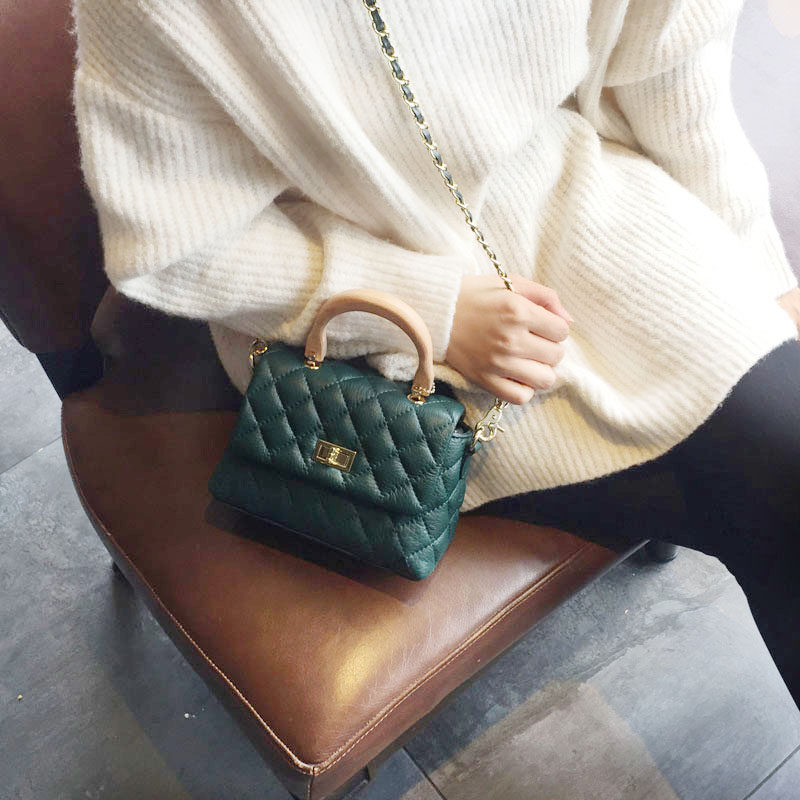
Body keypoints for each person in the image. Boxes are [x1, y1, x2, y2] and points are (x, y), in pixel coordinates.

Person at [71, 0, 799, 705]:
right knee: (768, 493)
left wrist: (763, 271)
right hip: (349, 301)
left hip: (571, 189)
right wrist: (430, 311)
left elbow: (669, 65)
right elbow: (175, 243)